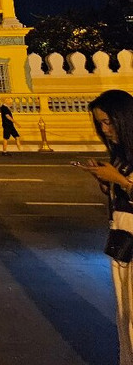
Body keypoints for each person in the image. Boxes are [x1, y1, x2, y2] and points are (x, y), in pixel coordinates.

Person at [80, 89, 133, 364]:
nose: (105, 129)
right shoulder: (121, 155)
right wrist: (108, 183)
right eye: (99, 123)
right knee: (126, 317)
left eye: (109, 121)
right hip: (124, 247)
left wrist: (122, 182)